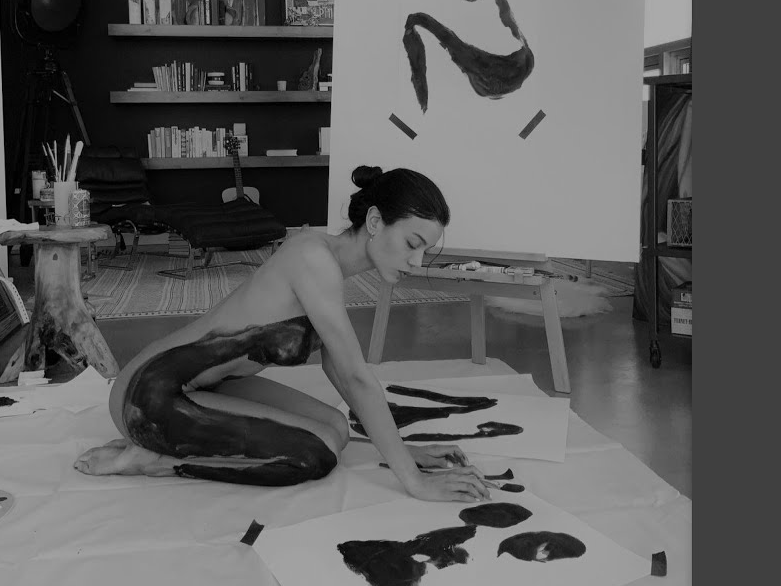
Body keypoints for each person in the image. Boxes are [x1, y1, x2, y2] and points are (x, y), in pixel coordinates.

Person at [75, 165, 493, 503]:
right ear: (374, 221)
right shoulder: (313, 258)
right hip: (148, 395)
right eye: (412, 243)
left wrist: (404, 452)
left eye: (425, 250)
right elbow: (357, 377)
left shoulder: (329, 268)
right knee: (318, 452)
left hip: (203, 386)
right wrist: (415, 482)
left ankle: (168, 445)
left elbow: (341, 374)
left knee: (336, 427)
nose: (417, 262)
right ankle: (156, 460)